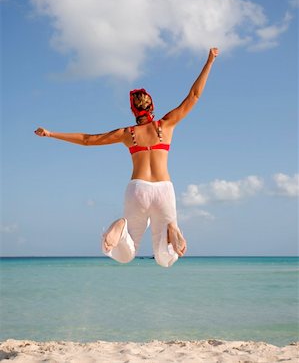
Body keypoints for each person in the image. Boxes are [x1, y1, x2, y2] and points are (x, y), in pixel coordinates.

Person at [35, 47, 219, 267]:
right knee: (164, 259)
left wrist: (51, 133)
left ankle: (121, 231)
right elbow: (194, 95)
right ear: (152, 105)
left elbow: (87, 139)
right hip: (164, 189)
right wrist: (209, 61)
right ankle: (172, 232)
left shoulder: (127, 134)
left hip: (137, 190)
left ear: (134, 111)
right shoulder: (166, 125)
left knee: (125, 254)